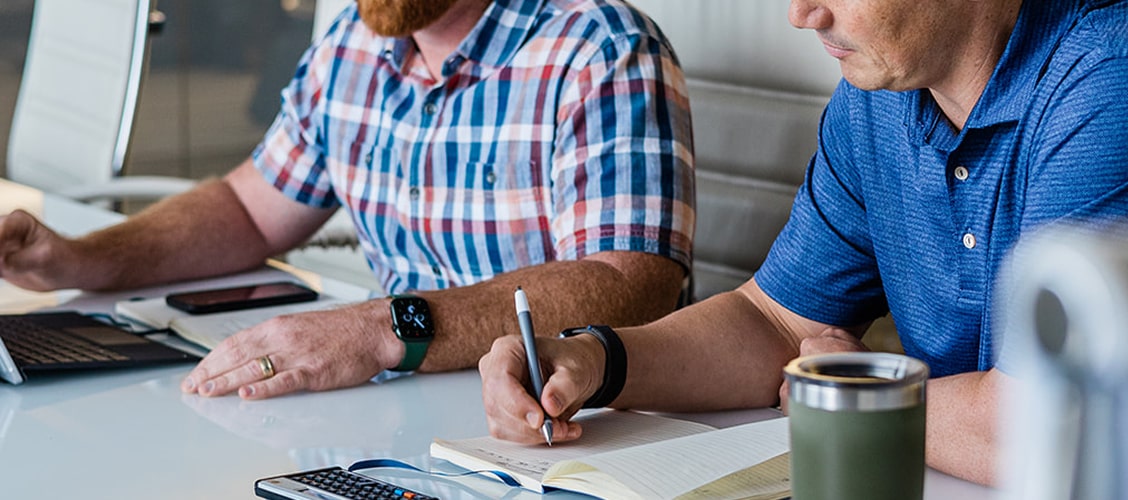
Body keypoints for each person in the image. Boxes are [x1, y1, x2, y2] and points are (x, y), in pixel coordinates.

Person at [478, 0, 1128, 486]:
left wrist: (846, 390)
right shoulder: (875, 93)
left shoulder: (1124, 77)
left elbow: (1052, 424)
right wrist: (594, 359)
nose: (802, 13)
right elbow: (776, 321)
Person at [0, 0, 694, 399]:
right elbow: (248, 210)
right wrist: (79, 260)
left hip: (558, 424)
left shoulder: (602, 48)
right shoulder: (352, 48)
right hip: (397, 410)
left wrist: (381, 330)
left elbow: (630, 283)